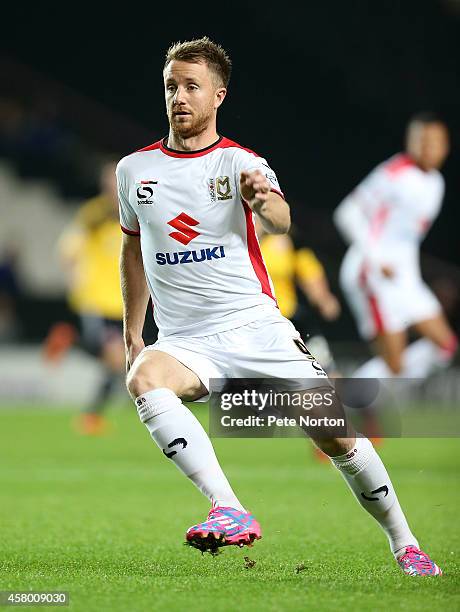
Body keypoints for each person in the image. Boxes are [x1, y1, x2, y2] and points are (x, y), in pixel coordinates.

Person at [117, 38, 441, 575]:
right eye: (172, 85)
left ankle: (405, 542)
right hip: (186, 339)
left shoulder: (240, 162)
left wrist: (261, 198)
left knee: (337, 435)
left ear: (218, 95)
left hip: (255, 328)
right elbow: (132, 249)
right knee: (144, 378)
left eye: (192, 86)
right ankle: (229, 509)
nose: (179, 96)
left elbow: (280, 221)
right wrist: (134, 331)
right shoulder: (134, 170)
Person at [334, 113, 458, 380]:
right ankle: (344, 397)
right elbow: (346, 213)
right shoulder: (393, 173)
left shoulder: (437, 183)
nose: (429, 148)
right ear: (410, 142)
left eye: (435, 142)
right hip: (372, 273)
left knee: (446, 347)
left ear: (446, 146)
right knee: (395, 366)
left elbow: (405, 239)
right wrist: (377, 259)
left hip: (405, 278)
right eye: (422, 141)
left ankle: (355, 391)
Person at [56, 160, 126, 434]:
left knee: (124, 361)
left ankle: (69, 339)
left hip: (123, 303)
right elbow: (67, 248)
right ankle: (92, 415)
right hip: (97, 300)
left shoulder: (135, 212)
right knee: (116, 359)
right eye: (109, 183)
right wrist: (76, 276)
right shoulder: (93, 214)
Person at [256, 221, 340, 374]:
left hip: (289, 319)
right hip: (253, 325)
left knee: (324, 369)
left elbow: (307, 267)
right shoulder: (232, 244)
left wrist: (323, 297)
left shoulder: (284, 240)